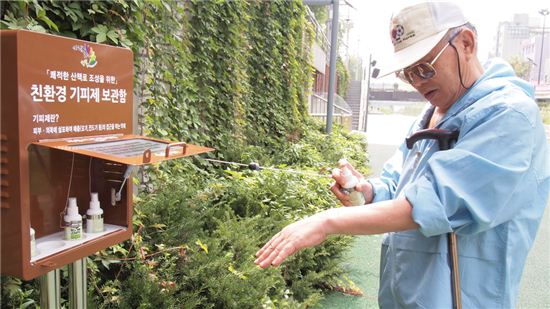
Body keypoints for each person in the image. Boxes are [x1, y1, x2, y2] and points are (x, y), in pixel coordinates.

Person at [255, 2, 550, 308]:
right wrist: (365, 190)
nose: (418, 82)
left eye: (425, 67)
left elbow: (432, 204)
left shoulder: (509, 115)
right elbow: (397, 188)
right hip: (403, 297)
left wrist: (327, 221)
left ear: (466, 43)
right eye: (408, 74)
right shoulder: (428, 117)